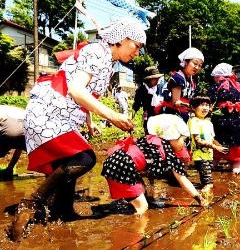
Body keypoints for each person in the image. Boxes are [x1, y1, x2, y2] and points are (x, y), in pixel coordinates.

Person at [8, 17, 146, 242]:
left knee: (67, 191)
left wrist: (90, 122)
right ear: (123, 38)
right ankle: (33, 202)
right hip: (49, 112)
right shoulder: (98, 52)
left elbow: (86, 94)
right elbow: (76, 90)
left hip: (60, 114)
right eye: (137, 46)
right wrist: (112, 115)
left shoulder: (107, 60)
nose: (137, 52)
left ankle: (61, 222)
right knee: (84, 159)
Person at [101, 114, 208, 215]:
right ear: (172, 136)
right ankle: (133, 227)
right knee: (142, 207)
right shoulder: (169, 153)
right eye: (183, 140)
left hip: (116, 163)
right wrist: (199, 198)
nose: (184, 144)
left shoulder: (151, 139)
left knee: (142, 191)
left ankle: (128, 203)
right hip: (122, 168)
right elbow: (183, 179)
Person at [187, 95, 229, 193]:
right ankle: (205, 191)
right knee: (207, 178)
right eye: (202, 105)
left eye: (207, 105)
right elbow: (198, 140)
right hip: (199, 154)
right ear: (193, 107)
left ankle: (204, 186)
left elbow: (212, 138)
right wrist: (215, 147)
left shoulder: (208, 123)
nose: (205, 107)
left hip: (209, 154)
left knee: (205, 173)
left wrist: (219, 146)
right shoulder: (193, 121)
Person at [208, 63, 240, 174]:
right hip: (236, 117)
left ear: (219, 76)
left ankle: (215, 162)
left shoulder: (217, 86)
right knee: (235, 140)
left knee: (218, 138)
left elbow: (209, 101)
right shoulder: (237, 85)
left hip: (220, 118)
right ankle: (236, 165)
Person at [160, 47, 204, 122]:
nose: (197, 67)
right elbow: (176, 102)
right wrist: (194, 108)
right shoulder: (178, 78)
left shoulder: (191, 81)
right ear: (186, 62)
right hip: (172, 117)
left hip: (182, 116)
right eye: (195, 63)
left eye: (200, 65)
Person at [132, 66, 164, 134]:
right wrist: (131, 119)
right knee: (149, 136)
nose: (157, 80)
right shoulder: (141, 90)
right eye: (155, 79)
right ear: (149, 79)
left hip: (160, 116)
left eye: (158, 78)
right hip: (148, 117)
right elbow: (136, 105)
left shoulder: (159, 88)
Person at [0, 105, 26, 180]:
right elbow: (19, 148)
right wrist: (10, 167)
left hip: (8, 125)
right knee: (21, 144)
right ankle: (9, 169)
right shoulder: (18, 110)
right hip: (25, 126)